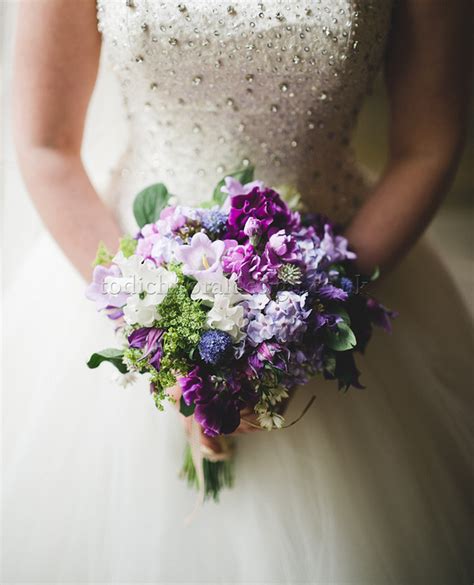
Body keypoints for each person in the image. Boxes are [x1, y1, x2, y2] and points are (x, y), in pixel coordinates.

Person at [4, 0, 472, 582]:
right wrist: (156, 326)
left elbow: (426, 145)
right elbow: (46, 144)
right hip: (124, 266)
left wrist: (310, 316)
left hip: (335, 275)